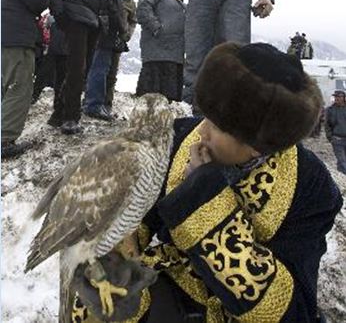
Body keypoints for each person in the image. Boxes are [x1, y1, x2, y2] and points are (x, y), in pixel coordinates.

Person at [72, 43, 342, 323]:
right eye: (207, 117)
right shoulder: (178, 137)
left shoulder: (310, 187)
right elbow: (130, 220)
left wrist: (201, 197)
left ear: (257, 147)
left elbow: (288, 310)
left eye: (218, 126)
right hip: (169, 291)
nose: (201, 131)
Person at [43, 0, 109, 134]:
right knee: (76, 68)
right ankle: (71, 118)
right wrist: (59, 10)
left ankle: (58, 114)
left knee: (84, 68)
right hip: (75, 15)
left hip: (93, 20)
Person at [1, 0, 48, 159]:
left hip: (4, 39)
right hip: (16, 41)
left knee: (4, 87)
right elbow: (40, 1)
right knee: (18, 88)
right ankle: (4, 141)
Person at [84, 0, 128, 121]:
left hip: (105, 34)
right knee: (99, 70)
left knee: (101, 69)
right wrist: (121, 28)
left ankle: (96, 104)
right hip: (104, 33)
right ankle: (93, 105)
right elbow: (112, 11)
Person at [136, 0, 186, 102]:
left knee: (170, 98)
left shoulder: (182, 4)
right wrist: (157, 28)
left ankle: (167, 123)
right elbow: (143, 8)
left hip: (175, 56)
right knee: (150, 96)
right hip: (156, 52)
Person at [105, 0, 137, 112]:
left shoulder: (130, 2)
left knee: (112, 73)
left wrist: (127, 35)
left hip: (119, 40)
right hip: (104, 37)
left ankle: (107, 103)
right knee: (98, 69)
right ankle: (91, 101)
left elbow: (133, 21)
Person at [325, 90, 346, 174]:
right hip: (337, 139)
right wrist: (330, 137)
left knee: (342, 163)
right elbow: (327, 125)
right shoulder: (330, 110)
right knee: (342, 160)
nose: (336, 98)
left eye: (339, 97)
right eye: (335, 97)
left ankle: (341, 177)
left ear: (344, 98)